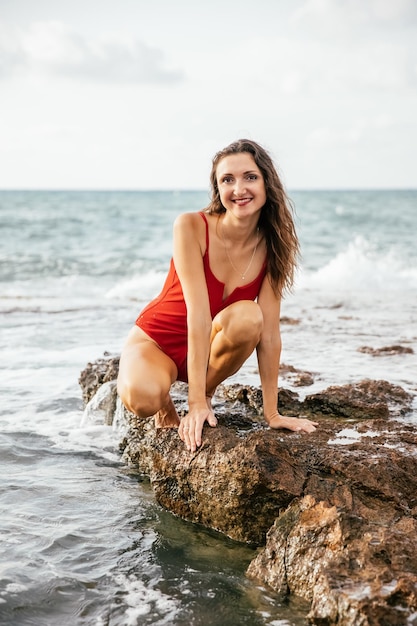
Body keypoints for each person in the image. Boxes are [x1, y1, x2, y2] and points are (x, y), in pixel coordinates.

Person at [117, 139, 318, 452]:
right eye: (228, 180)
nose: (239, 189)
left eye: (250, 177)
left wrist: (272, 413)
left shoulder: (275, 246)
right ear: (217, 189)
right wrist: (192, 403)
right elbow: (198, 313)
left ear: (267, 183)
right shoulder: (191, 226)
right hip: (158, 340)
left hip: (210, 346)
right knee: (142, 397)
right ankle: (167, 404)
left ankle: (207, 391)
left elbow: (269, 335)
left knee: (252, 318)